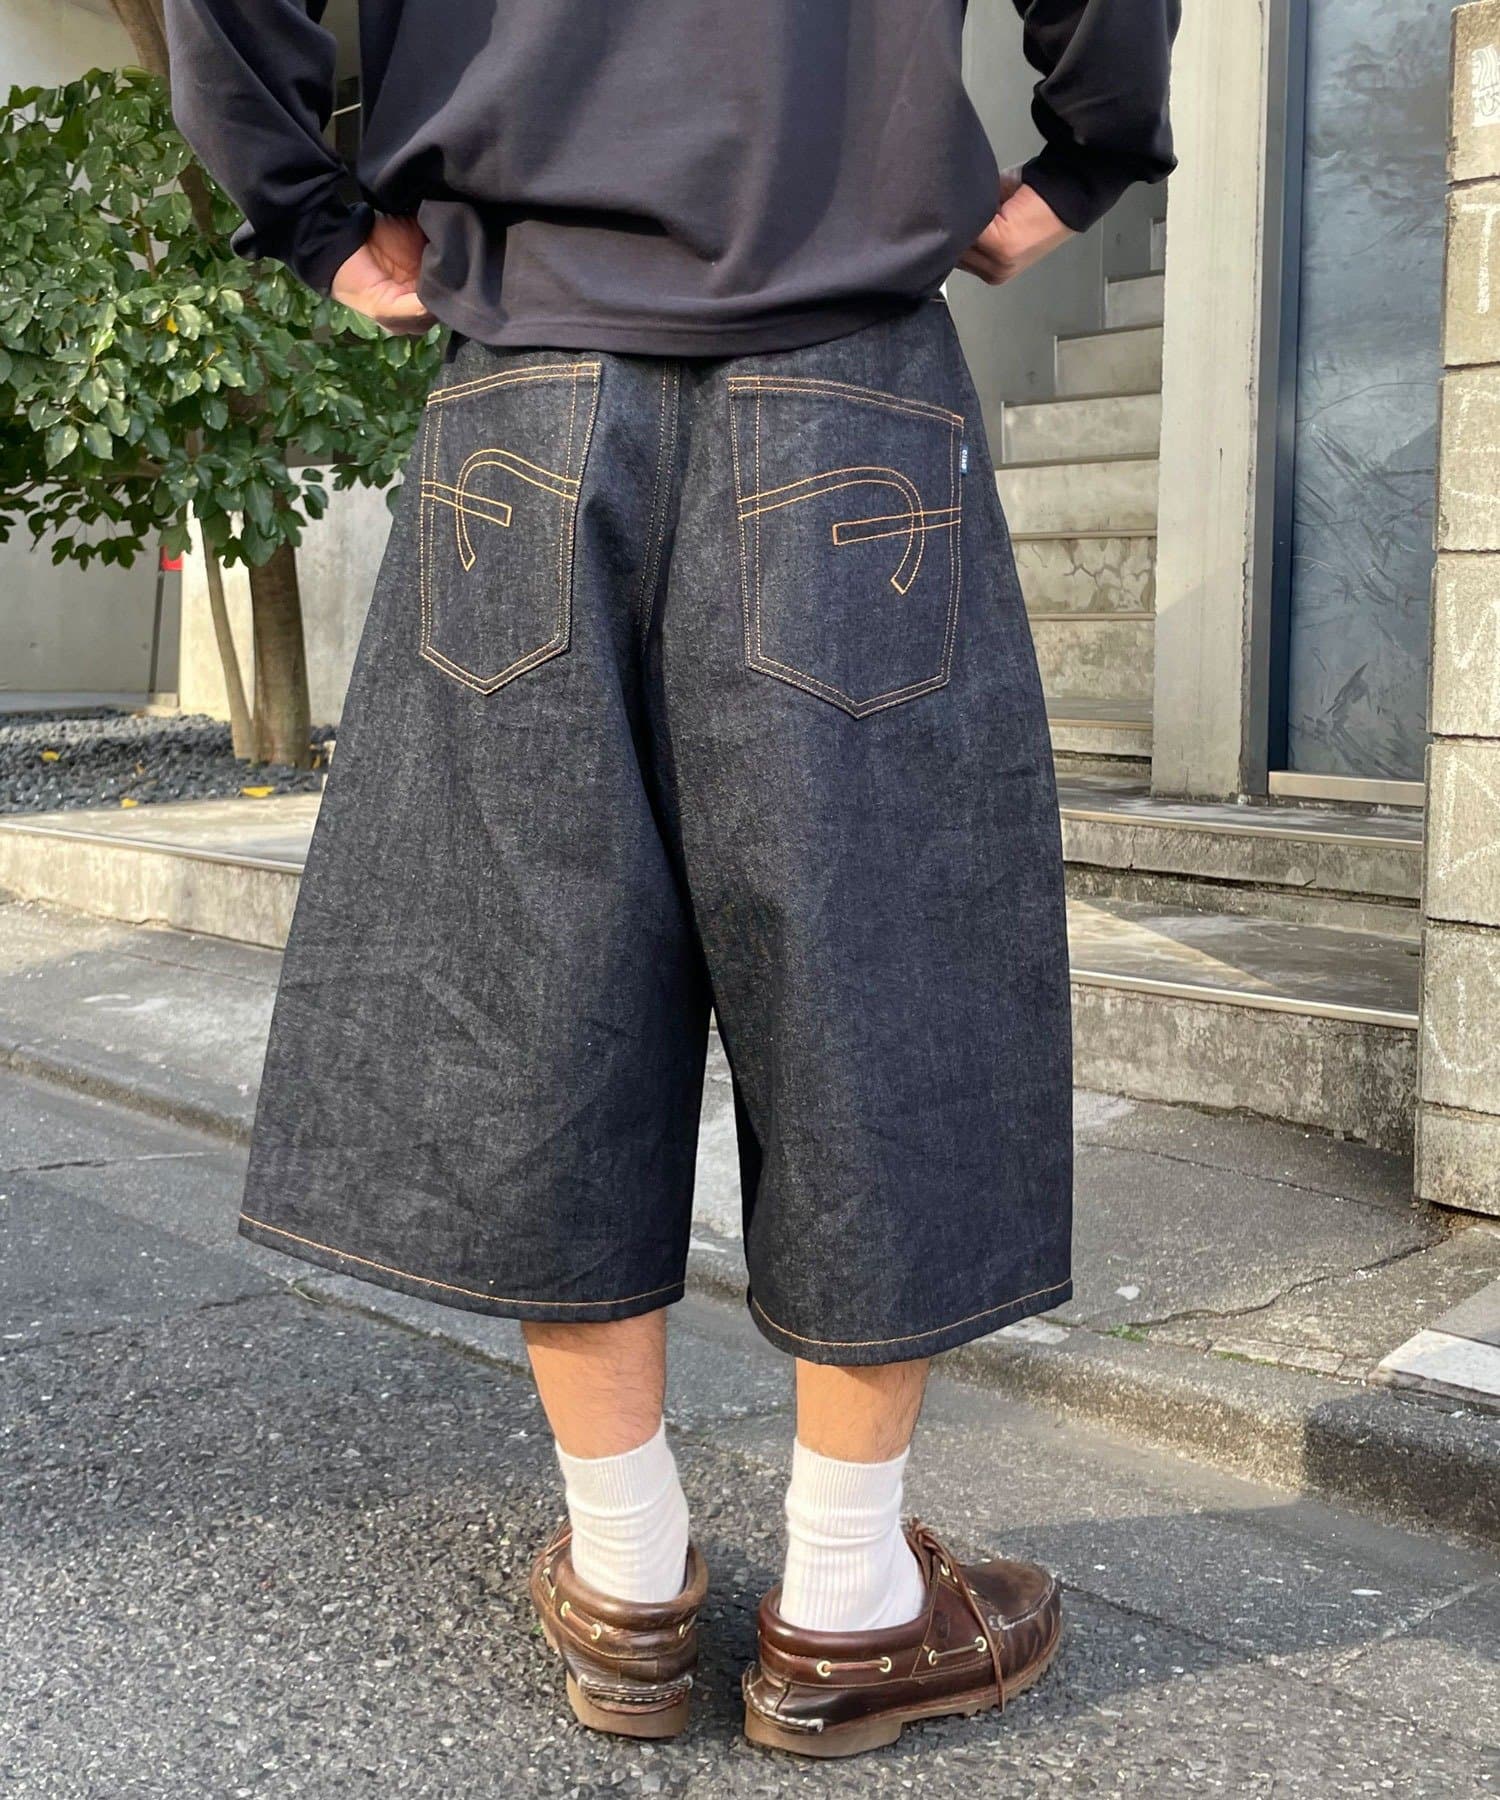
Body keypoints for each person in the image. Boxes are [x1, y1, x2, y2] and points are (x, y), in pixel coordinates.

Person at [165, 0, 1177, 1758]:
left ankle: (629, 1577)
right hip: (845, 365)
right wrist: (1088, 149)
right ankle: (848, 1598)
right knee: (877, 970)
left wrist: (308, 212)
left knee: (538, 973)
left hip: (529, 378)